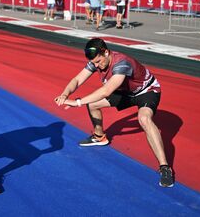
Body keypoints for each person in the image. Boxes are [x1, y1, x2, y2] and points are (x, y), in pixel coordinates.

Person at [53, 38, 174, 188]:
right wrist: (65, 94)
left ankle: (165, 167)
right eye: (94, 63)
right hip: (125, 92)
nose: (96, 66)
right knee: (92, 103)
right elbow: (77, 80)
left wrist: (77, 102)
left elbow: (106, 91)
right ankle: (99, 136)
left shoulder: (121, 63)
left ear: (106, 52)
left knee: (144, 119)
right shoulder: (96, 60)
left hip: (146, 91)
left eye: (98, 62)